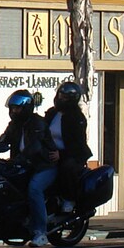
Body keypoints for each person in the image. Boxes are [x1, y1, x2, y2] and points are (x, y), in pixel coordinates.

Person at [0, 89, 56, 246]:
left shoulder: (37, 123)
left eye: (17, 108)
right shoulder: (14, 125)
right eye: (12, 108)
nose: (13, 111)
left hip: (44, 166)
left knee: (34, 189)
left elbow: (35, 147)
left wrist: (19, 158)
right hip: (23, 165)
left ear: (26, 108)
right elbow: (3, 142)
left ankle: (40, 232)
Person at [46, 81, 92, 215]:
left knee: (67, 167)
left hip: (71, 155)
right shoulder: (52, 113)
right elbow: (42, 130)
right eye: (60, 95)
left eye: (65, 97)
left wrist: (62, 154)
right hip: (50, 152)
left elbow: (78, 143)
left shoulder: (77, 117)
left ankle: (69, 199)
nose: (61, 99)